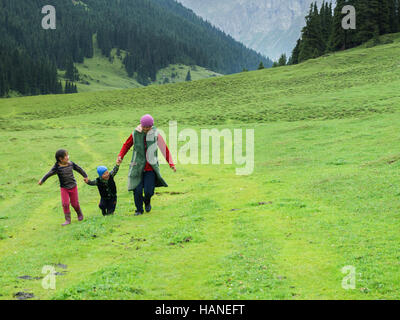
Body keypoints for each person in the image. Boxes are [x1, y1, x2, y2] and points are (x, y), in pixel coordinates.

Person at [117, 114, 176, 216]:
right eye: (144, 127)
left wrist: (171, 163)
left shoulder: (156, 134)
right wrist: (120, 156)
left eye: (148, 127)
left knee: (149, 191)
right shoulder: (135, 133)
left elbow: (164, 148)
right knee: (137, 189)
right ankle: (139, 210)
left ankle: (147, 201)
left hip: (150, 168)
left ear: (151, 126)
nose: (145, 129)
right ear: (141, 125)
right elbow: (126, 145)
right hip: (137, 166)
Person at [38, 149, 88, 226]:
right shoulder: (57, 167)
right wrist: (42, 180)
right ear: (60, 159)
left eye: (68, 155)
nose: (68, 157)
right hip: (64, 188)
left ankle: (79, 214)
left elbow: (79, 169)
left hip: (73, 187)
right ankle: (67, 220)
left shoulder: (71, 164)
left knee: (74, 204)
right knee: (65, 203)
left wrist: (85, 176)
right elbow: (49, 173)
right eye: (66, 156)